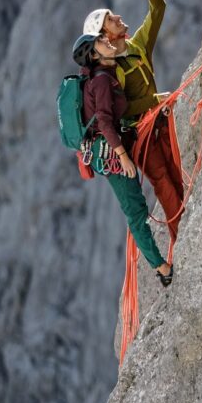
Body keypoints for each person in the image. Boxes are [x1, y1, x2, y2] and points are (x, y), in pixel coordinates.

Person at [82, 0, 186, 268]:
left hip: (160, 120)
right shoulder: (111, 72)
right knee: (163, 181)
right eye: (112, 19)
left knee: (174, 172)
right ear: (106, 35)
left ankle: (186, 222)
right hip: (139, 134)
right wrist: (157, 99)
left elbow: (158, 9)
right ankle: (183, 235)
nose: (118, 18)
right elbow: (121, 108)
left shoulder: (138, 46)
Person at [72, 33, 173, 286]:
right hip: (111, 155)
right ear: (94, 55)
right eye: (100, 42)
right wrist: (123, 158)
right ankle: (161, 267)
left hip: (109, 146)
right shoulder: (102, 81)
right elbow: (105, 121)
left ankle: (159, 263)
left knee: (135, 205)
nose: (107, 41)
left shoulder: (98, 77)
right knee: (135, 209)